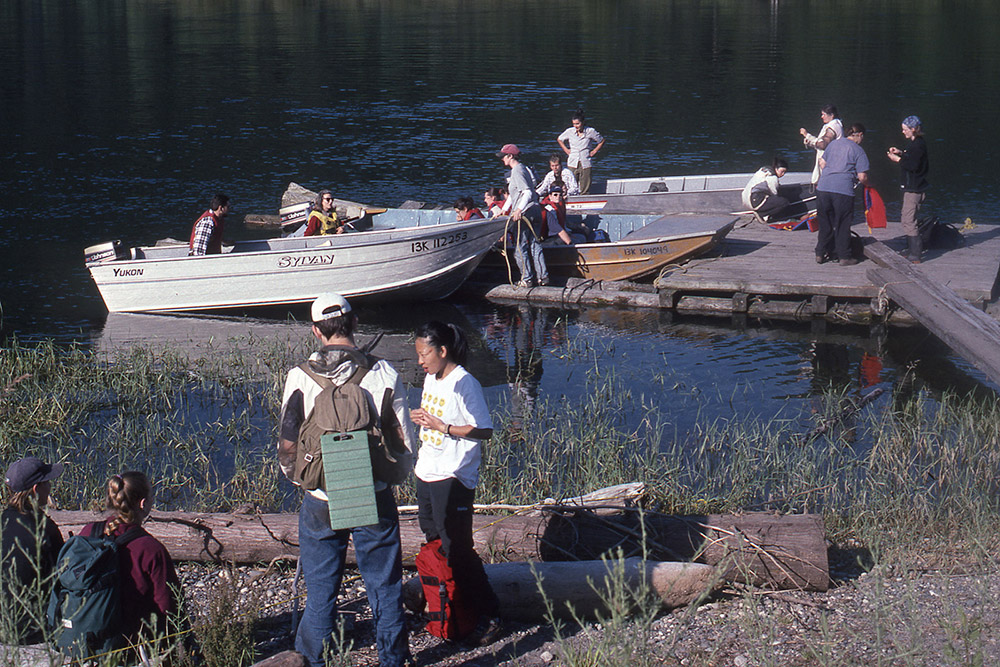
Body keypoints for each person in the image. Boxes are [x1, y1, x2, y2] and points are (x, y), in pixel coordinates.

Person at [277, 293, 414, 667]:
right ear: (354, 323)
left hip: (321, 496)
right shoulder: (385, 373)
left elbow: (288, 446)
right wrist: (385, 481)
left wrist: (308, 482)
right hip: (373, 492)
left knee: (321, 590)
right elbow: (403, 446)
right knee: (384, 587)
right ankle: (393, 661)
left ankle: (311, 661)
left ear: (315, 332)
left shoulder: (298, 378)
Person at [411, 321, 500, 645]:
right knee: (434, 540)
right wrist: (422, 419)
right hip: (427, 469)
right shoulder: (431, 377)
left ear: (443, 351)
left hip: (454, 474)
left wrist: (444, 426)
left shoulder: (465, 383)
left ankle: (489, 614)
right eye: (418, 354)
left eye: (425, 354)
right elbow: (433, 419)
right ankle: (450, 606)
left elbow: (484, 429)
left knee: (457, 548)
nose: (420, 360)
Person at [79, 471, 180, 645]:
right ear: (143, 504)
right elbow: (169, 608)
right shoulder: (151, 549)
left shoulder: (88, 532)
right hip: (130, 644)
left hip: (85, 636)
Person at [1, 456, 65, 644]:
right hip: (32, 632)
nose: (50, 487)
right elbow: (61, 579)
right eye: (48, 483)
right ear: (36, 490)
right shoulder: (45, 529)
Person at [494, 144, 549, 288]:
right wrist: (504, 210)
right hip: (536, 210)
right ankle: (543, 277)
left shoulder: (517, 171)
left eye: (503, 157)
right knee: (535, 245)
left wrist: (518, 210)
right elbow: (514, 195)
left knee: (520, 247)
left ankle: (527, 278)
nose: (502, 160)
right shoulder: (523, 169)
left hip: (526, 213)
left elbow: (527, 192)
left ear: (510, 156)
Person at [815, 123, 870, 266]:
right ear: (859, 135)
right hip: (843, 190)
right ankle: (844, 256)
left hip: (823, 187)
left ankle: (820, 253)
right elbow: (862, 176)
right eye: (862, 137)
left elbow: (822, 162)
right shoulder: (858, 150)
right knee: (842, 223)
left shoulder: (833, 144)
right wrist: (868, 185)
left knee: (825, 222)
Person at [887, 115, 930, 263]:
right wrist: (901, 152)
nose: (903, 132)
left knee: (908, 220)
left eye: (905, 130)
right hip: (912, 188)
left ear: (913, 129)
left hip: (914, 190)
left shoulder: (918, 145)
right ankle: (913, 251)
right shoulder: (915, 144)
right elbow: (912, 158)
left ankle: (915, 255)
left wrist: (897, 159)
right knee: (907, 219)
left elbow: (913, 166)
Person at [557, 110, 605, 194]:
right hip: (573, 161)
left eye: (577, 124)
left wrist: (594, 151)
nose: (576, 126)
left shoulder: (590, 131)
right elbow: (560, 139)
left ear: (582, 123)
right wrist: (566, 150)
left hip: (585, 161)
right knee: (570, 185)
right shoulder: (570, 131)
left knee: (585, 187)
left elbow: (601, 140)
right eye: (574, 124)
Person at [800, 104, 844, 184]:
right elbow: (820, 142)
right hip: (827, 163)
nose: (821, 117)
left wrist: (808, 136)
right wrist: (809, 140)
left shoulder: (833, 127)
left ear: (832, 115)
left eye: (824, 114)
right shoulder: (833, 125)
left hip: (829, 164)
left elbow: (823, 145)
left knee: (825, 182)